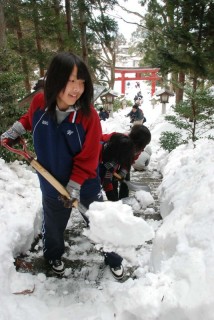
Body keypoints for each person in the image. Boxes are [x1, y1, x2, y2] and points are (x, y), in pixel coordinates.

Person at [0, 52, 123, 280]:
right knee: (54, 223)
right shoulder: (39, 102)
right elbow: (31, 118)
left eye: (82, 82)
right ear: (57, 79)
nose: (77, 88)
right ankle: (53, 256)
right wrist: (17, 128)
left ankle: (114, 257)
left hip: (84, 183)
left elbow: (88, 157)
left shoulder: (89, 117)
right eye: (71, 80)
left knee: (97, 219)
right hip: (50, 180)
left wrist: (75, 185)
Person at [99, 125, 151, 201]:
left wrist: (122, 173)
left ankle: (123, 198)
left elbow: (128, 161)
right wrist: (113, 199)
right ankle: (115, 199)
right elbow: (107, 178)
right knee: (110, 179)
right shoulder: (118, 144)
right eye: (143, 146)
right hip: (102, 158)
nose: (142, 150)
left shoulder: (134, 148)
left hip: (111, 159)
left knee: (119, 176)